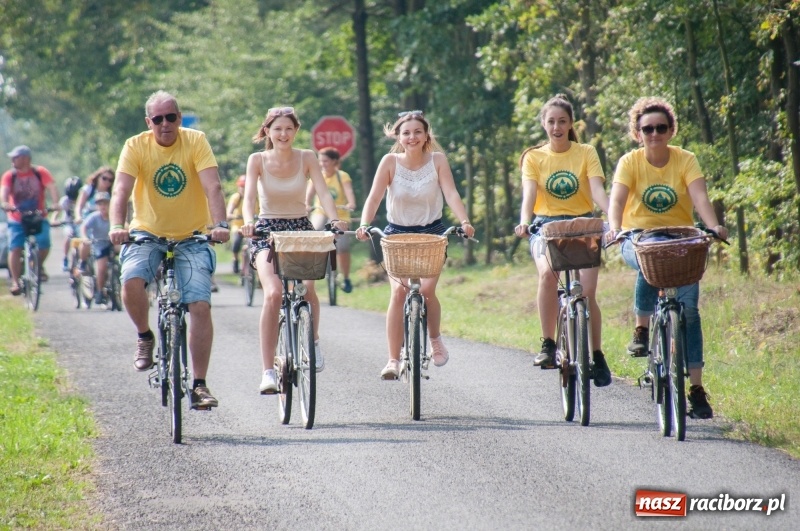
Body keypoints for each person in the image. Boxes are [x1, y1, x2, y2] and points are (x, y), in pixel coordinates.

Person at [607, 96, 729, 419]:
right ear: (638, 132)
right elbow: (616, 202)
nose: (655, 133)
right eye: (648, 128)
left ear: (671, 130)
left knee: (690, 313)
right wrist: (615, 229)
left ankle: (697, 389)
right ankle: (641, 329)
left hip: (680, 240)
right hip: (638, 239)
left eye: (661, 127)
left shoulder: (686, 159)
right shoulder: (629, 163)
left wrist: (713, 225)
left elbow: (700, 197)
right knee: (649, 262)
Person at [108, 90, 230, 409]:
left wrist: (221, 223)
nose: (165, 124)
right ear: (149, 122)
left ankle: (200, 385)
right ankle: (145, 336)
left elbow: (212, 185)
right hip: (147, 232)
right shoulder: (135, 146)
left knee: (200, 305)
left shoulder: (195, 140)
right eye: (158, 119)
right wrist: (117, 226)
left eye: (171, 117)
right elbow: (120, 190)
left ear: (179, 117)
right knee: (131, 281)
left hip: (192, 235)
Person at [356, 110, 475, 380]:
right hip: (396, 233)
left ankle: (434, 340)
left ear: (425, 135)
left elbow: (451, 193)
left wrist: (464, 220)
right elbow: (374, 197)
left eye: (417, 132)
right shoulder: (389, 161)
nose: (412, 137)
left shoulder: (438, 160)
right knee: (398, 294)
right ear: (398, 136)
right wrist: (364, 224)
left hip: (432, 232)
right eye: (406, 133)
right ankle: (393, 360)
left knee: (428, 291)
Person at [240, 107, 346, 394]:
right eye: (277, 129)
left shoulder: (307, 157)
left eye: (288, 128)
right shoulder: (257, 159)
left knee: (308, 288)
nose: (283, 134)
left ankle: (312, 342)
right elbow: (249, 197)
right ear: (267, 132)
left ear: (296, 130)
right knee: (274, 293)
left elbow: (323, 192)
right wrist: (248, 222)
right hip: (266, 230)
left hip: (300, 228)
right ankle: (267, 371)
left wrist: (334, 218)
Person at [513, 94, 612, 387]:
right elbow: (529, 194)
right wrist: (524, 221)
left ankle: (596, 354)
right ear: (544, 124)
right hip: (546, 226)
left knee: (588, 292)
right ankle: (548, 343)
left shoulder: (586, 152)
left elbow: (596, 190)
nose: (557, 127)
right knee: (547, 274)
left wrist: (613, 218)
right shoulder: (534, 157)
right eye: (551, 121)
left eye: (562, 121)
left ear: (571, 124)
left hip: (583, 224)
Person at [0, 145, 61, 295]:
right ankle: (15, 282)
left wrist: (55, 203)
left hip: (38, 215)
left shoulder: (40, 172)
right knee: (15, 248)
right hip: (17, 217)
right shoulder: (10, 175)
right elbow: (4, 192)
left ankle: (37, 265)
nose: (13, 160)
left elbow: (52, 187)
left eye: (16, 157)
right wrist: (5, 203)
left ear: (26, 158)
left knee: (44, 244)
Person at [305, 146, 357, 293]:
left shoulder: (342, 176)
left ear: (334, 161)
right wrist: (307, 205)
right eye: (320, 161)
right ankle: (313, 267)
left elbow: (349, 192)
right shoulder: (317, 176)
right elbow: (309, 195)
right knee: (314, 231)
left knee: (343, 247)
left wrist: (351, 203)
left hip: (340, 214)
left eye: (326, 161)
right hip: (321, 211)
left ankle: (345, 277)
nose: (322, 164)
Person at [79, 191, 113, 305]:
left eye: (106, 203)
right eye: (100, 204)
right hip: (99, 245)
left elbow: (125, 224)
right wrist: (85, 237)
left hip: (111, 243)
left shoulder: (114, 216)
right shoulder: (94, 217)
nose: (103, 206)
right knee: (101, 268)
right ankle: (99, 291)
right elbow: (84, 227)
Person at [54, 176, 82, 271]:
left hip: (79, 223)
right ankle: (65, 258)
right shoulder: (65, 200)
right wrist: (54, 219)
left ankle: (83, 259)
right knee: (68, 235)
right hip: (68, 223)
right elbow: (57, 212)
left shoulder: (82, 199)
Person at [226, 175, 247, 274]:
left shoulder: (255, 198)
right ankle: (235, 260)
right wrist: (234, 216)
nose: (243, 189)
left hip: (249, 227)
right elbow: (228, 213)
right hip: (237, 227)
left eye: (245, 186)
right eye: (241, 186)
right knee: (236, 243)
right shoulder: (236, 198)